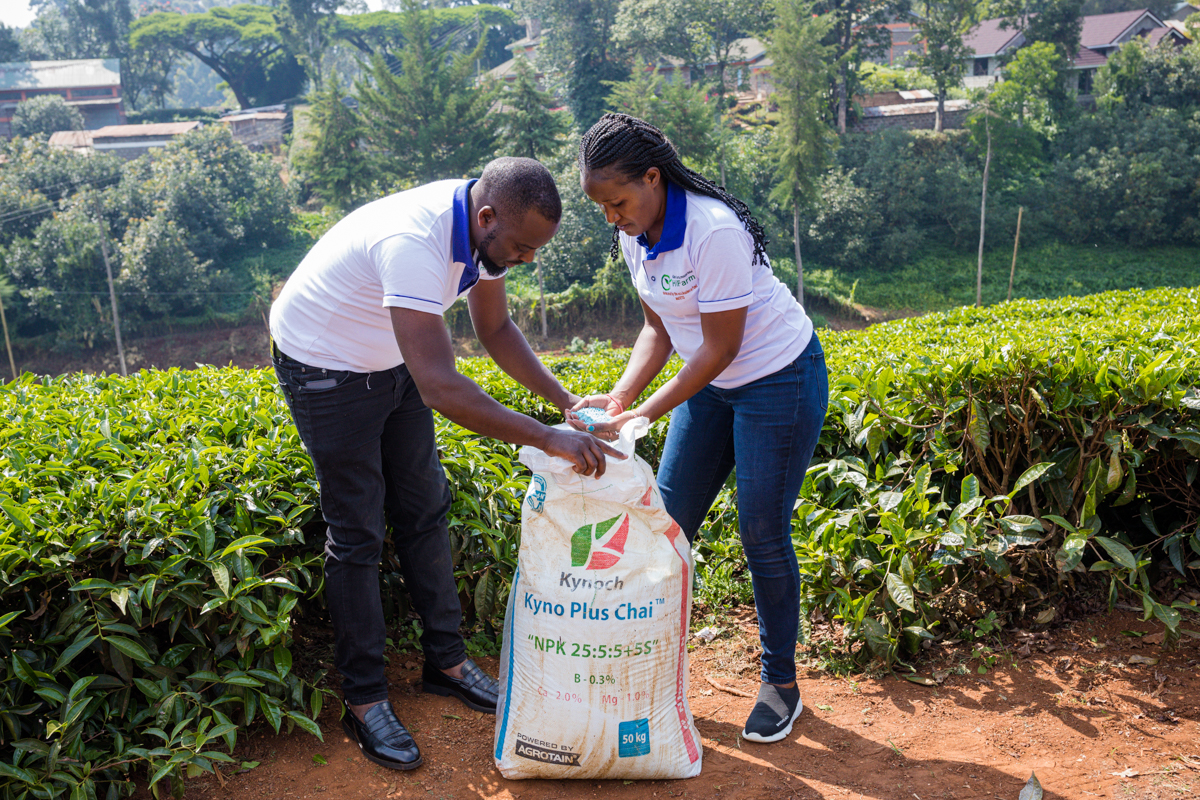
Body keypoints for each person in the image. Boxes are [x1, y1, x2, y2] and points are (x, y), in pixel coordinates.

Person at [269, 157, 622, 771]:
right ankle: (364, 699)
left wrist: (566, 405)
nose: (526, 260)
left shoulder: (484, 239)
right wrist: (547, 438)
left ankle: (447, 662)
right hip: (325, 367)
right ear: (487, 219)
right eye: (521, 247)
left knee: (424, 506)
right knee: (358, 530)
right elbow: (440, 385)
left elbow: (495, 328)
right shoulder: (416, 243)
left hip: (391, 360)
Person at [569, 114, 828, 744]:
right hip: (707, 385)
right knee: (668, 523)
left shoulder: (713, 231)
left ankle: (780, 684)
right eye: (601, 206)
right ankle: (650, 667)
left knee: (761, 530)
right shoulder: (635, 234)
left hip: (776, 380)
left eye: (618, 201)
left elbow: (719, 346)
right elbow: (661, 327)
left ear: (653, 178)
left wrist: (647, 411)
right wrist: (623, 392)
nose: (612, 217)